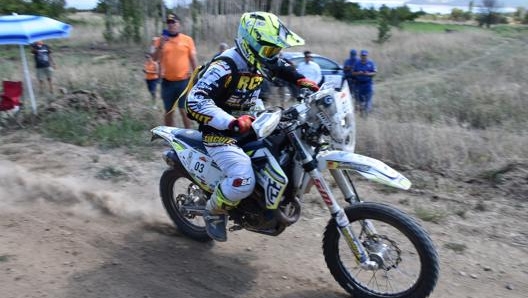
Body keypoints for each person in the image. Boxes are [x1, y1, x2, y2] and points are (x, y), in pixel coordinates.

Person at [185, 11, 320, 242]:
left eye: (275, 49)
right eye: (269, 50)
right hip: (220, 133)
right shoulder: (225, 65)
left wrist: (300, 79)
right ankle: (213, 211)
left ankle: (264, 203)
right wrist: (231, 121)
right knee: (242, 178)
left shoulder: (259, 59)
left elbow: (279, 66)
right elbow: (195, 101)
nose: (273, 55)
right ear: (249, 43)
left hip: (251, 123)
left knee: (284, 153)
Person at [152, 13, 198, 128]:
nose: (171, 25)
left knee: (184, 111)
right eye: (169, 23)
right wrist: (161, 45)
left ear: (179, 24)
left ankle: (189, 136)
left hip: (184, 82)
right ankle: (170, 138)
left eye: (174, 22)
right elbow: (154, 58)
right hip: (167, 83)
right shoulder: (159, 40)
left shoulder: (187, 40)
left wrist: (197, 77)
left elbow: (193, 60)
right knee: (169, 112)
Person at [352, 50, 377, 117]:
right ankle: (361, 113)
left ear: (367, 56)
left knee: (368, 99)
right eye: (363, 55)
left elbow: (374, 72)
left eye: (365, 55)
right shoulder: (357, 63)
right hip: (359, 84)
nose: (364, 57)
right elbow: (353, 73)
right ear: (360, 56)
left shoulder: (371, 63)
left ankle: (367, 114)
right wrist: (358, 73)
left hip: (368, 84)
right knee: (360, 101)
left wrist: (368, 73)